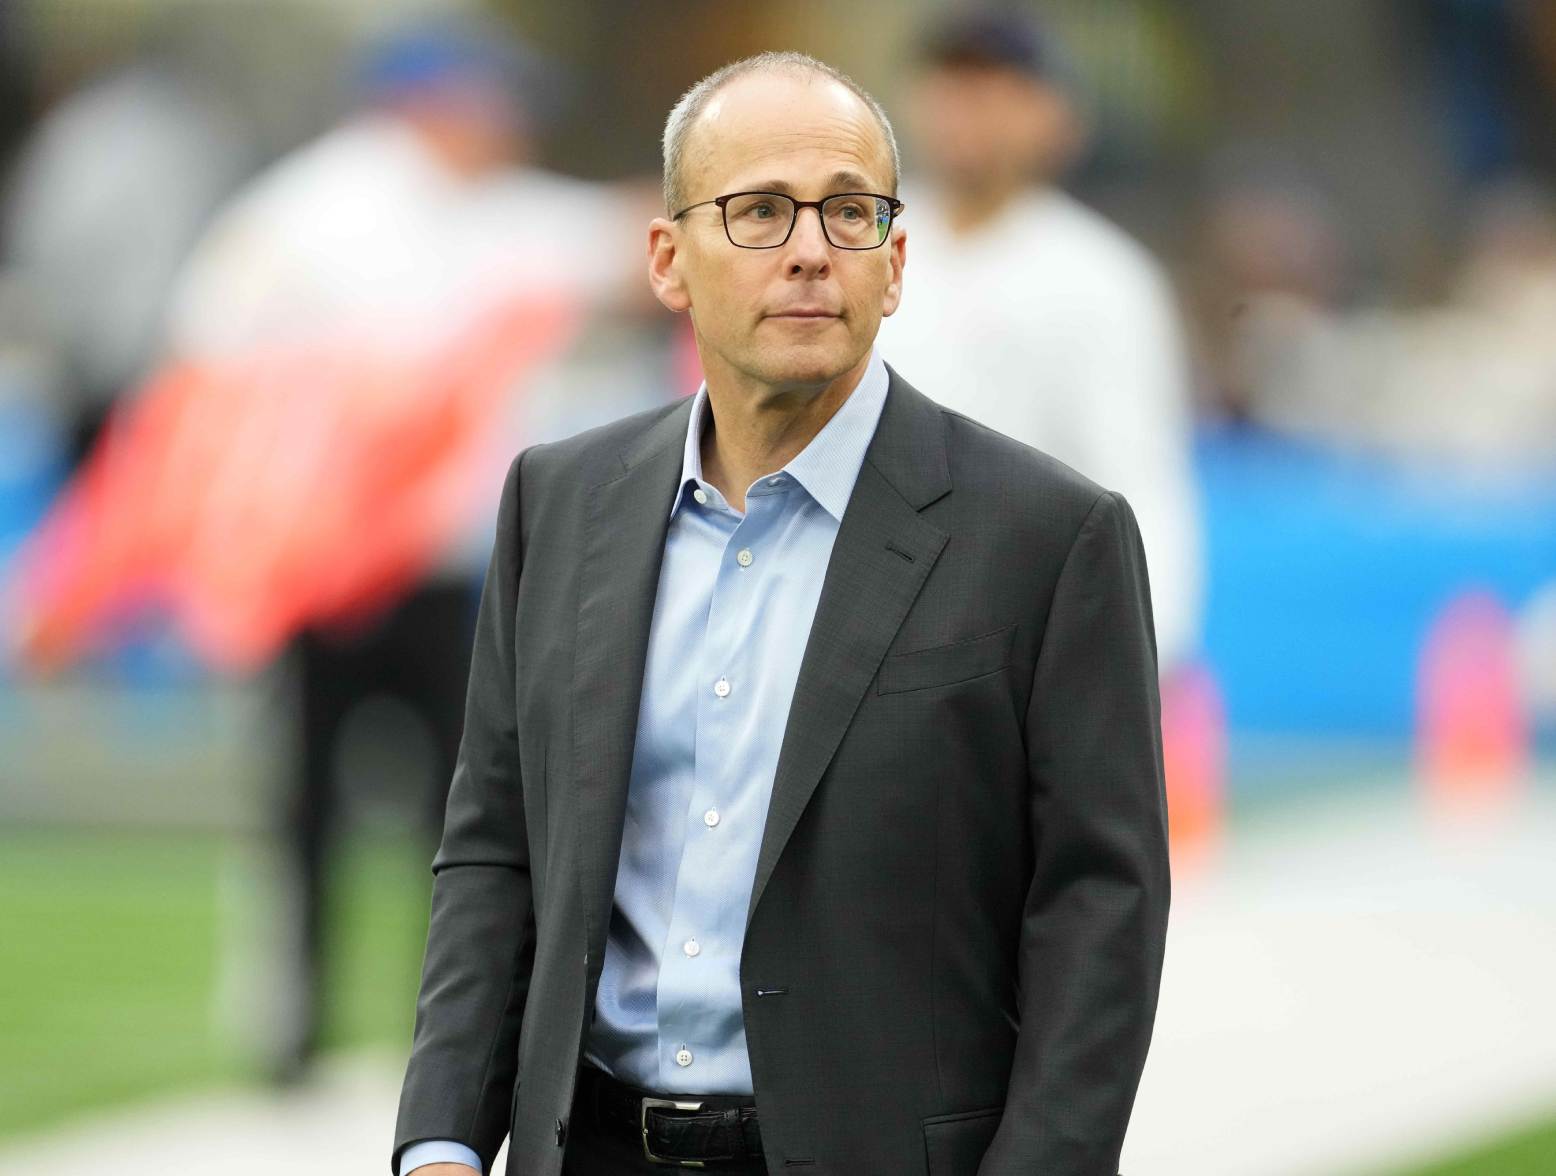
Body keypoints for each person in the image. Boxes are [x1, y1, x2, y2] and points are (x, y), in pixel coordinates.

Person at [393, 51, 1169, 1176]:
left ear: (894, 265)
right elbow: (495, 848)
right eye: (757, 211)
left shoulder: (1049, 538)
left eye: (848, 214)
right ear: (668, 260)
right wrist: (442, 1140)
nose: (809, 249)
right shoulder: (557, 503)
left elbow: (1099, 912)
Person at [876, 9, 1203, 676]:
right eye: (951, 87)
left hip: (1013, 633)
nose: (966, 113)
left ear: (1054, 117)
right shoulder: (858, 243)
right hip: (867, 611)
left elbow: (1136, 473)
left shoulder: (1100, 280)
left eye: (995, 91)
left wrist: (1151, 644)